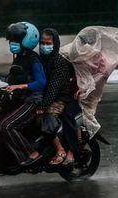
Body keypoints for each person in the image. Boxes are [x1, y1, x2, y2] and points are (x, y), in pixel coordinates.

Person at [0, 22, 47, 166]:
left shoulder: (33, 59)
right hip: (20, 99)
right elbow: (12, 78)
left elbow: (41, 82)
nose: (12, 43)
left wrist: (21, 86)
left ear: (26, 41)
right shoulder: (18, 57)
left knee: (6, 125)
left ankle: (31, 153)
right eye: (11, 40)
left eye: (16, 40)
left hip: (32, 101)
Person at [34, 28, 81, 165]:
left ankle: (60, 149)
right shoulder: (41, 60)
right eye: (42, 43)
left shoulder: (59, 62)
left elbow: (53, 88)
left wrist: (43, 107)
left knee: (46, 117)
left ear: (55, 44)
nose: (44, 46)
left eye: (48, 43)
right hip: (44, 96)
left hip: (61, 98)